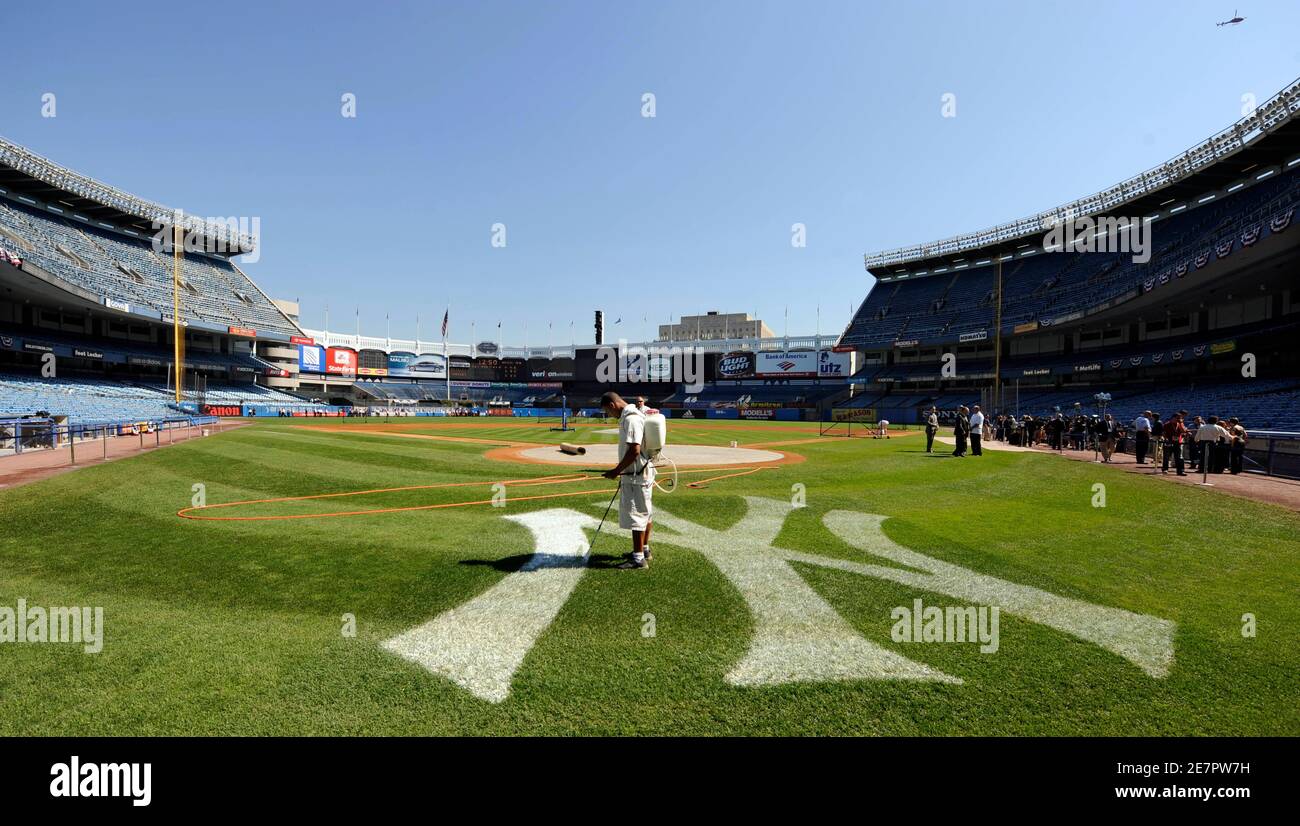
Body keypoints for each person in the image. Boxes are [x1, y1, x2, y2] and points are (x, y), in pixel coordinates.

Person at [600, 391, 655, 570]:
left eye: (608, 412)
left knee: (637, 514)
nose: (610, 416)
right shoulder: (634, 415)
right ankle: (644, 549)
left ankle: (638, 559)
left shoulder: (631, 419)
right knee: (645, 512)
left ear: (612, 405)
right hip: (641, 472)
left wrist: (616, 471)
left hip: (636, 475)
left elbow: (634, 451)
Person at [1161, 412, 1187, 476]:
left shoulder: (1180, 424)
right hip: (1168, 442)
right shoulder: (1167, 424)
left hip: (1177, 443)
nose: (1178, 419)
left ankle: (1180, 471)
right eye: (1177, 418)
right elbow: (1163, 433)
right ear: (1173, 418)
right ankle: (1165, 469)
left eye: (1180, 418)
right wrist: (1165, 439)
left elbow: (1183, 431)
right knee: (1166, 457)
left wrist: (1181, 423)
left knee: (1179, 457)